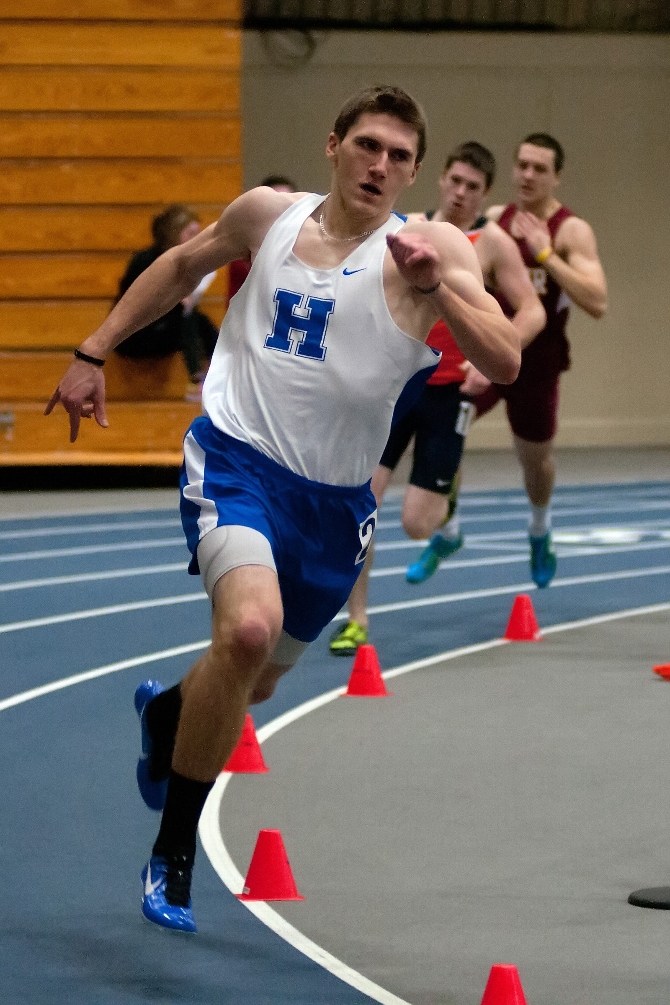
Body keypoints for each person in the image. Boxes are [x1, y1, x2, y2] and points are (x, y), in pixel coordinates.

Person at [44, 86, 520, 934]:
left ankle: (167, 711)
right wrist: (94, 349)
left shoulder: (432, 244)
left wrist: (438, 287)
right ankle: (174, 853)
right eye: (369, 145)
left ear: (413, 171)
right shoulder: (267, 214)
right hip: (236, 460)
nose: (382, 166)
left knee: (251, 679)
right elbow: (182, 266)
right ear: (333, 145)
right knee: (249, 630)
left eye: (400, 156)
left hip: (333, 506)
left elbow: (507, 359)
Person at [330, 141, 545, 655]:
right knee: (361, 504)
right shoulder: (411, 230)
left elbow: (531, 310)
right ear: (440, 179)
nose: (461, 192)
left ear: (485, 193)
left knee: (415, 524)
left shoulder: (490, 243)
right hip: (398, 384)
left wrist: (486, 363)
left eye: (473, 187)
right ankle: (355, 618)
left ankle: (447, 523)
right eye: (455, 181)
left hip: (451, 391)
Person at [471, 133, 607, 588]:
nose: (528, 175)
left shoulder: (572, 230)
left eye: (540, 168)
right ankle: (446, 527)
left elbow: (597, 301)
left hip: (538, 364)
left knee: (535, 463)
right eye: (522, 165)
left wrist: (545, 253)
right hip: (491, 350)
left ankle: (539, 527)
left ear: (557, 177)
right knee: (442, 419)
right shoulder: (494, 220)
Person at [114, 204, 219, 398]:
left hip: (163, 330)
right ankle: (195, 380)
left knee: (200, 320)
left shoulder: (187, 262)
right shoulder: (146, 260)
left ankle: (222, 369)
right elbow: (136, 305)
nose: (196, 240)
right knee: (187, 317)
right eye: (191, 233)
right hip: (137, 334)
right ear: (174, 233)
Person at [227, 175, 297, 300]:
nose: (283, 212)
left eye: (288, 206)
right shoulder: (242, 254)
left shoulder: (305, 247)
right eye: (277, 204)